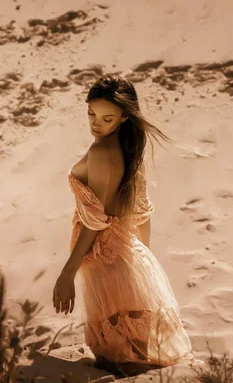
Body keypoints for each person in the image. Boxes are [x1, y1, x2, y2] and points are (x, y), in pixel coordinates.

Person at [52, 74, 197, 376]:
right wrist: (142, 266)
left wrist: (68, 271)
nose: (95, 123)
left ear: (123, 118)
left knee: (119, 361)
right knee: (136, 358)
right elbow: (142, 215)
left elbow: (95, 221)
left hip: (106, 262)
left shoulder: (102, 152)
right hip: (127, 256)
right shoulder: (130, 150)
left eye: (106, 118)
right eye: (91, 113)